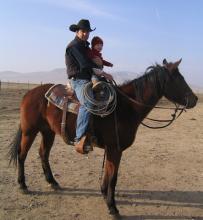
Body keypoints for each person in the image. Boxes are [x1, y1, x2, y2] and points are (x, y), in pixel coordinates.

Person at [65, 19, 113, 154]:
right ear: (77, 31)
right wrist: (103, 72)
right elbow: (85, 64)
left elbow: (93, 61)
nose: (86, 34)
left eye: (87, 31)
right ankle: (79, 138)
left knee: (108, 94)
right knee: (88, 103)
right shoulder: (74, 46)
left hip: (88, 78)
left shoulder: (85, 46)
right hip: (79, 80)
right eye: (83, 31)